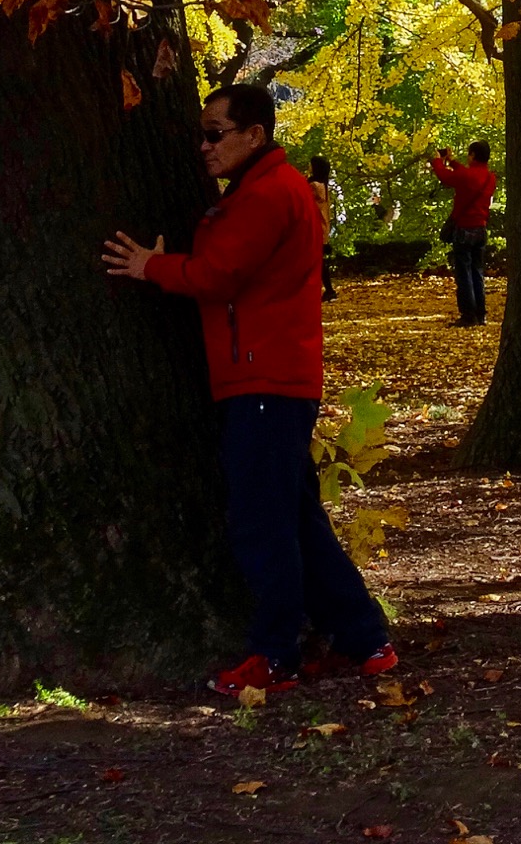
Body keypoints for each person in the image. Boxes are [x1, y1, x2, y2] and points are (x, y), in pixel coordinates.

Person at [101, 82, 396, 699]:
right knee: (295, 517)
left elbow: (219, 274)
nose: (203, 147)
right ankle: (365, 639)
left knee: (263, 523)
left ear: (254, 135)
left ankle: (276, 655)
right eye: (201, 135)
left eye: (215, 134)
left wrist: (150, 267)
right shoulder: (266, 191)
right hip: (272, 376)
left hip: (265, 379)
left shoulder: (267, 194)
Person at [431, 140, 497, 327]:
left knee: (464, 272)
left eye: (469, 154)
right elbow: (465, 175)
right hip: (481, 228)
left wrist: (438, 161)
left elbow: (446, 177)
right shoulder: (490, 177)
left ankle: (468, 314)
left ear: (473, 155)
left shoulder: (467, 176)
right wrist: (452, 161)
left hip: (464, 229)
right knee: (477, 271)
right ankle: (480, 313)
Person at [308, 155, 337, 303]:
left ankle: (329, 290)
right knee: (318, 261)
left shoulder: (314, 186)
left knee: (316, 261)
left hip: (315, 228)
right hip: (323, 227)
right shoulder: (324, 186)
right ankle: (328, 290)